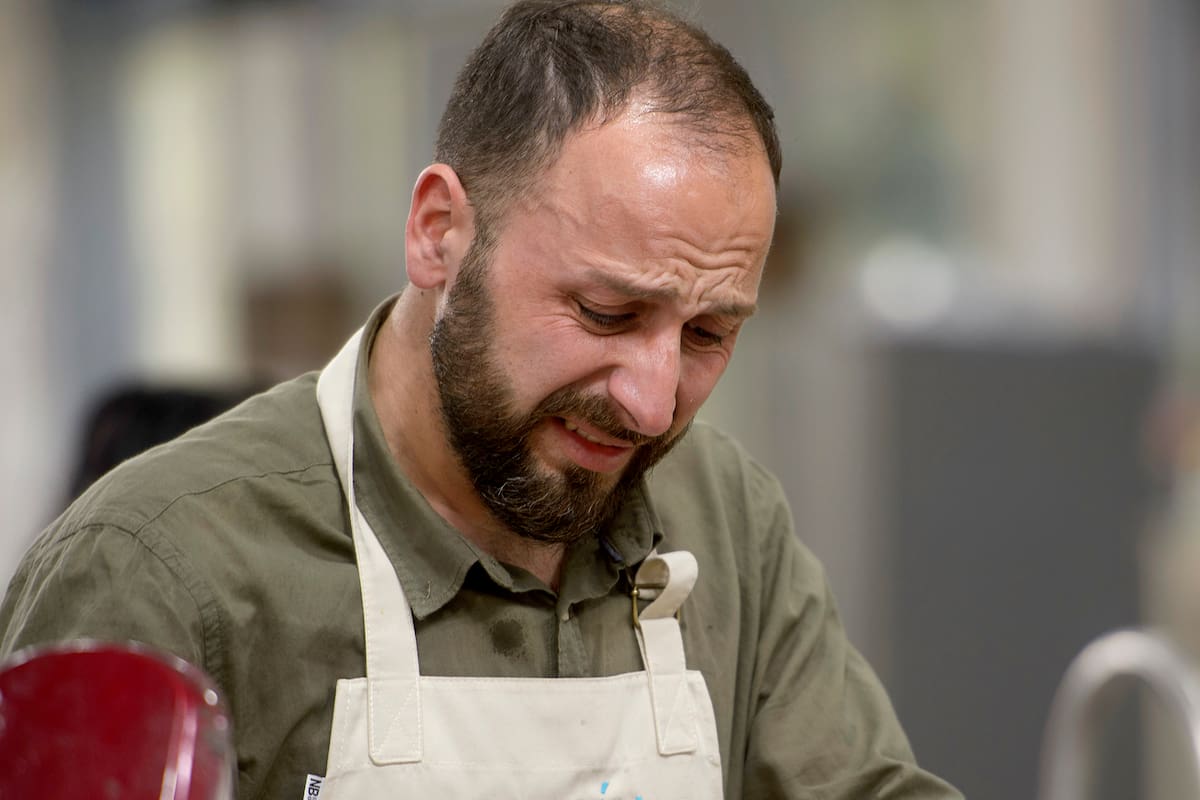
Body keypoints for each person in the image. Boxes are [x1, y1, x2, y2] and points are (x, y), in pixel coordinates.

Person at [0, 2, 962, 798]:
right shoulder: (157, 568)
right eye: (606, 313)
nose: (652, 405)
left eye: (708, 334)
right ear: (438, 234)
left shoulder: (724, 517)